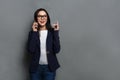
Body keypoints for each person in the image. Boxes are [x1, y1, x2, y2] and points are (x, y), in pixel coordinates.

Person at [27, 8, 61, 80]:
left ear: (47, 18)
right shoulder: (32, 33)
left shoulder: (52, 33)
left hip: (49, 68)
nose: (42, 18)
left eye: (44, 16)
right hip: (36, 68)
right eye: (39, 16)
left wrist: (56, 32)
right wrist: (34, 31)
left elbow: (57, 50)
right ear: (36, 18)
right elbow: (31, 50)